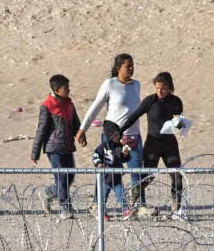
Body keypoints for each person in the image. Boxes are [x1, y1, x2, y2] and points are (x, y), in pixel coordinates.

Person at [77, 54, 148, 214]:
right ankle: (97, 205)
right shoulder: (110, 84)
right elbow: (95, 107)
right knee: (109, 173)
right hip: (113, 138)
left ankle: (139, 206)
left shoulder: (136, 85)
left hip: (133, 136)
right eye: (127, 66)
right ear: (118, 68)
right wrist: (83, 129)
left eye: (132, 65)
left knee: (137, 173)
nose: (131, 68)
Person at [119, 71, 186, 220]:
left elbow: (179, 123)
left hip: (170, 144)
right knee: (148, 177)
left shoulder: (176, 101)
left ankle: (176, 210)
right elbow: (135, 115)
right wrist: (119, 130)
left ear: (169, 87)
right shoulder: (150, 101)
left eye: (162, 88)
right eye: (157, 88)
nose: (159, 91)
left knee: (176, 177)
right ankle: (131, 204)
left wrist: (180, 123)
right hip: (153, 143)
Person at [31, 74, 81, 219]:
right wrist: (35, 153)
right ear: (56, 89)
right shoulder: (47, 106)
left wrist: (80, 135)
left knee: (70, 177)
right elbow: (41, 130)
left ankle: (48, 193)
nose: (69, 90)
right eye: (66, 88)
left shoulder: (70, 104)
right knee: (61, 178)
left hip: (68, 146)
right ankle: (64, 208)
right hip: (53, 148)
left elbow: (76, 123)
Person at [92, 120, 133, 221]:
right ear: (110, 135)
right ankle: (101, 212)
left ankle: (126, 210)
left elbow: (124, 159)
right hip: (105, 178)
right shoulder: (103, 147)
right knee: (102, 197)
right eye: (115, 135)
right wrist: (98, 163)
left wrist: (126, 154)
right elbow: (95, 155)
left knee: (121, 194)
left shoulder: (120, 146)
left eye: (119, 135)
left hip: (117, 178)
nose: (118, 137)